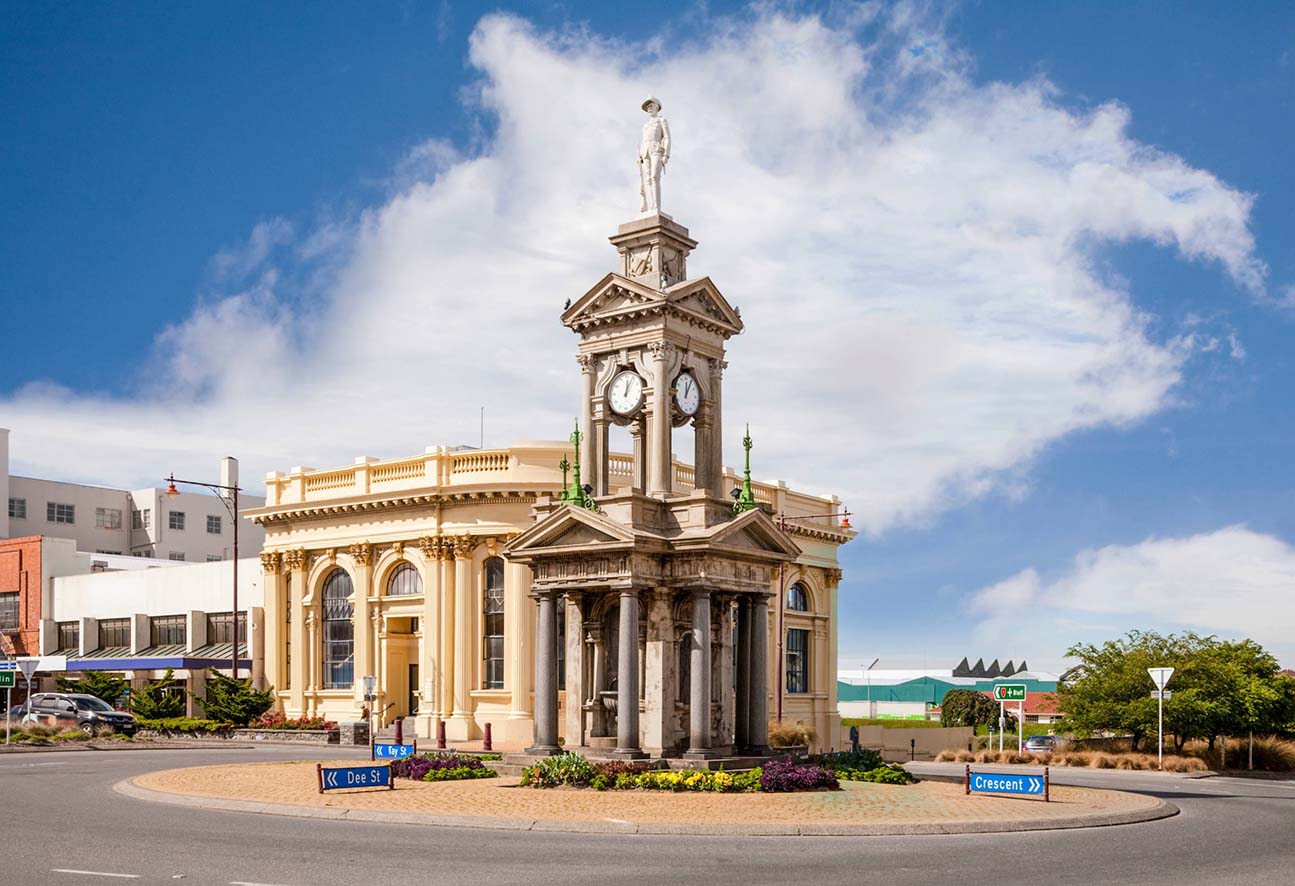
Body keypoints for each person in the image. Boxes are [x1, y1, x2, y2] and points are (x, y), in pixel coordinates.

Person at [638, 96, 671, 213]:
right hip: (645, 152)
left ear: (657, 106)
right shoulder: (645, 125)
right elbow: (644, 140)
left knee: (654, 177)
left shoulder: (661, 120)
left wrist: (666, 154)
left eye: (651, 105)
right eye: (647, 107)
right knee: (648, 180)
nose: (649, 108)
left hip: (656, 149)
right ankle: (651, 206)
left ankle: (657, 207)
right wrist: (641, 155)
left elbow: (667, 137)